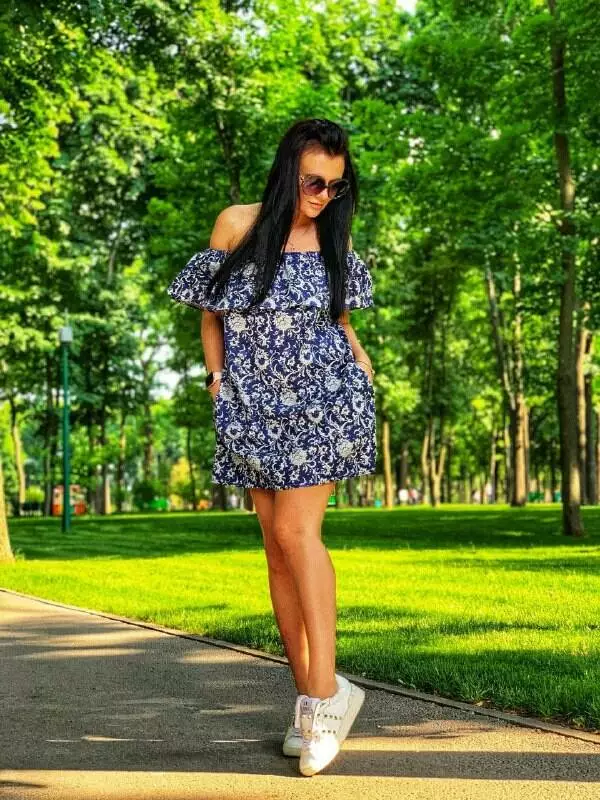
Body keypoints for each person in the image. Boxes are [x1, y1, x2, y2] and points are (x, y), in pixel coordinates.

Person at [168, 118, 376, 777]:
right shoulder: (236, 225)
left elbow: (341, 321)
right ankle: (315, 697)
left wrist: (360, 366)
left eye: (336, 186)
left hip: (324, 399)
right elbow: (211, 315)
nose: (323, 196)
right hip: (251, 403)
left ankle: (323, 699)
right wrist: (217, 381)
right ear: (288, 171)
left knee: (297, 533)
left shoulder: (334, 236)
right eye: (314, 182)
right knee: (277, 551)